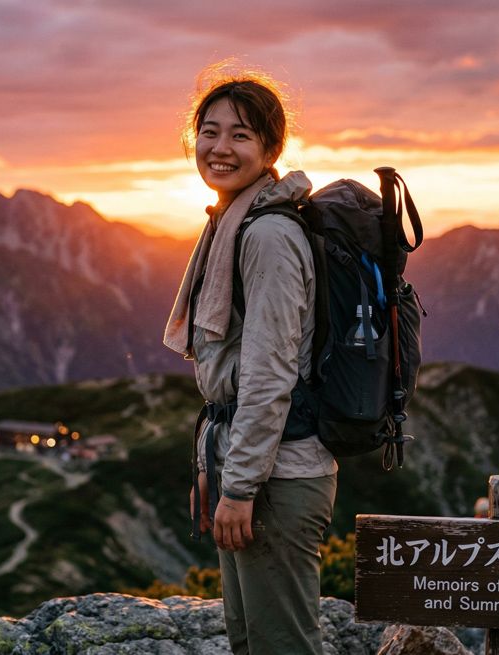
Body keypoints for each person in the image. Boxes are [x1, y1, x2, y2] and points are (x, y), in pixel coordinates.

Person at [163, 65, 337, 655]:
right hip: (251, 465)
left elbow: (269, 374)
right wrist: (216, 467)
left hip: (279, 477)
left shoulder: (266, 236)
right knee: (248, 641)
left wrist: (238, 489)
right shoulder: (230, 223)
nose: (220, 148)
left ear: (271, 147)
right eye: (209, 132)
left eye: (241, 134)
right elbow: (229, 378)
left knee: (282, 646)